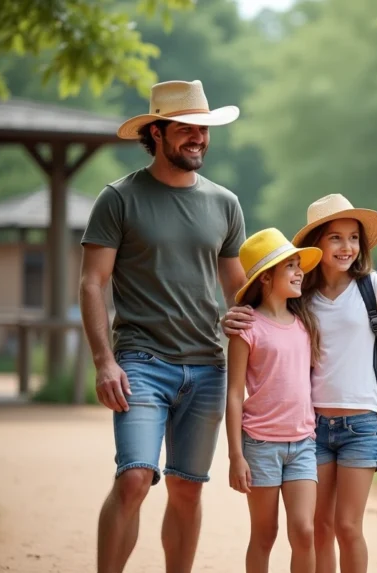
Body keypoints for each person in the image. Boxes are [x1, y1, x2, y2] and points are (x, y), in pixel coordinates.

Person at [222, 194, 377, 573]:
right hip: (311, 427)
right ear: (316, 242)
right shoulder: (300, 295)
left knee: (348, 527)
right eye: (336, 237)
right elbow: (265, 318)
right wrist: (232, 319)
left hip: (361, 424)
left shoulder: (372, 287)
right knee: (319, 529)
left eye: (353, 238)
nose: (347, 247)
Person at [79, 79, 248, 573]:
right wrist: (103, 361)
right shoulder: (119, 199)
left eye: (204, 129)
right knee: (133, 479)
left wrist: (255, 319)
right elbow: (93, 283)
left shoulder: (225, 204)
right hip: (140, 363)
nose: (198, 137)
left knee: (187, 489)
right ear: (156, 132)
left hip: (207, 368)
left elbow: (237, 286)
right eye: (186, 129)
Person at [224, 227, 323, 573]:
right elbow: (235, 394)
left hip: (303, 444)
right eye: (291, 267)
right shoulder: (246, 328)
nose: (299, 273)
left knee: (305, 531)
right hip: (261, 445)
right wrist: (236, 456)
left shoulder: (305, 323)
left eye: (299, 265)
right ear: (266, 278)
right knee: (264, 535)